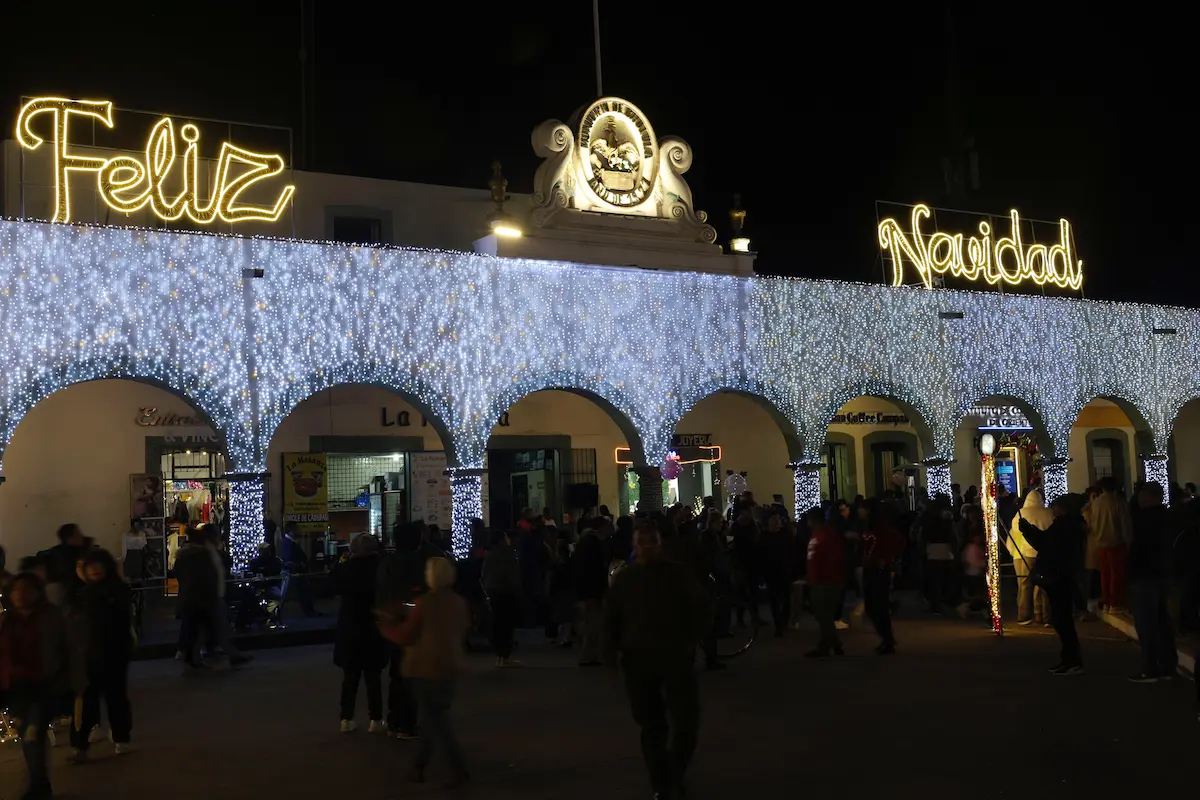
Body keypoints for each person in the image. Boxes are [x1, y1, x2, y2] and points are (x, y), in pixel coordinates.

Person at [603, 521, 711, 800]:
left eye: (653, 541)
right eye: (644, 542)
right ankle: (664, 781)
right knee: (655, 724)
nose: (648, 547)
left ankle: (668, 776)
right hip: (642, 657)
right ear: (635, 546)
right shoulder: (628, 580)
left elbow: (701, 607)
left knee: (682, 721)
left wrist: (690, 638)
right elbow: (611, 621)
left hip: (669, 654)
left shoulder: (675, 575)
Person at [393, 557, 470, 787]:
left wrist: (389, 629)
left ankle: (456, 767)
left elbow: (407, 635)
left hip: (425, 666)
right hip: (450, 665)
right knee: (433, 717)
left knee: (436, 719)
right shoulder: (458, 602)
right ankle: (419, 765)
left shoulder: (425, 603)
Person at [0, 573, 71, 800]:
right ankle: (39, 784)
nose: (21, 594)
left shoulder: (51, 616)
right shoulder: (6, 620)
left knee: (33, 733)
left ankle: (38, 785)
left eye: (27, 589)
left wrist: (71, 681)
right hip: (17, 687)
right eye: (16, 590)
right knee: (29, 737)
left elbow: (66, 648)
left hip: (45, 684)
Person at [376, 521, 445, 736]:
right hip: (416, 624)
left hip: (394, 623)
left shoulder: (389, 562)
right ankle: (406, 723)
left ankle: (395, 720)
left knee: (398, 673)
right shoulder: (423, 561)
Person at [69, 549, 134, 760]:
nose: (95, 570)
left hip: (113, 654)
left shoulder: (117, 592)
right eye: (90, 566)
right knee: (87, 702)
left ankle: (120, 738)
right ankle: (81, 745)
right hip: (89, 656)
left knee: (115, 698)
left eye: (98, 565)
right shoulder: (82, 595)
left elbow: (120, 624)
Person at [1019, 497, 1086, 675]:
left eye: (1055, 507)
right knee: (1062, 620)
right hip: (1062, 575)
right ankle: (1069, 659)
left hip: (1059, 576)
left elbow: (1046, 544)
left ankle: (1072, 660)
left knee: (1063, 620)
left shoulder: (1064, 527)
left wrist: (1029, 531)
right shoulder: (1068, 526)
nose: (1052, 510)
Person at [333, 534, 388, 733]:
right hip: (373, 625)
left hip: (350, 625)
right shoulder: (380, 567)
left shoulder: (345, 567)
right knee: (373, 677)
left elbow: (333, 583)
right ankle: (376, 718)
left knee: (350, 676)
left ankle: (346, 718)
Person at [1126, 482, 1178, 683]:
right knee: (1162, 623)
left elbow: (1140, 549)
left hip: (1145, 576)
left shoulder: (1147, 520)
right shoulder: (1166, 517)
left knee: (1147, 624)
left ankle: (1150, 668)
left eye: (1142, 495)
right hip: (1160, 575)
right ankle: (1166, 665)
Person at [862, 502, 905, 654]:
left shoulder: (882, 530)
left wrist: (886, 559)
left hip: (879, 571)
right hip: (872, 569)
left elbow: (899, 543)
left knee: (878, 607)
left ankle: (887, 639)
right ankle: (886, 638)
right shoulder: (871, 529)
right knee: (874, 606)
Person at [804, 507, 846, 658]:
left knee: (823, 615)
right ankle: (832, 644)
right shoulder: (827, 534)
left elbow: (819, 560)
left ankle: (828, 645)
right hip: (829, 580)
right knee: (825, 615)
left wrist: (813, 578)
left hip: (824, 581)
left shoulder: (822, 536)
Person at [1009, 491, 1053, 625]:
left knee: (1025, 584)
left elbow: (1015, 532)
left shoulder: (1021, 513)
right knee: (1045, 585)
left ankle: (1024, 615)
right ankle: (1047, 617)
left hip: (1026, 553)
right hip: (1045, 553)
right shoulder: (1048, 512)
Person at [1090, 477, 1132, 612]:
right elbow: (1125, 524)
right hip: (1116, 542)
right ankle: (1115, 602)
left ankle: (1107, 601)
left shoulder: (1096, 503)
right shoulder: (1118, 502)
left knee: (1105, 574)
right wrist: (1128, 541)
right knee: (1116, 574)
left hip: (1100, 543)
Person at [482, 529, 522, 668]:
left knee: (498, 623)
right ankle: (505, 656)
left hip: (493, 591)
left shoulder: (490, 554)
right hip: (506, 591)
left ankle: (499, 656)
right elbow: (512, 574)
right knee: (507, 624)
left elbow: (484, 574)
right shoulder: (508, 553)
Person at [573, 521, 609, 666]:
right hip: (592, 591)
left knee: (587, 623)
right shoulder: (594, 546)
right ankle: (588, 656)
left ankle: (588, 654)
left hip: (583, 590)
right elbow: (597, 570)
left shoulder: (582, 546)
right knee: (594, 624)